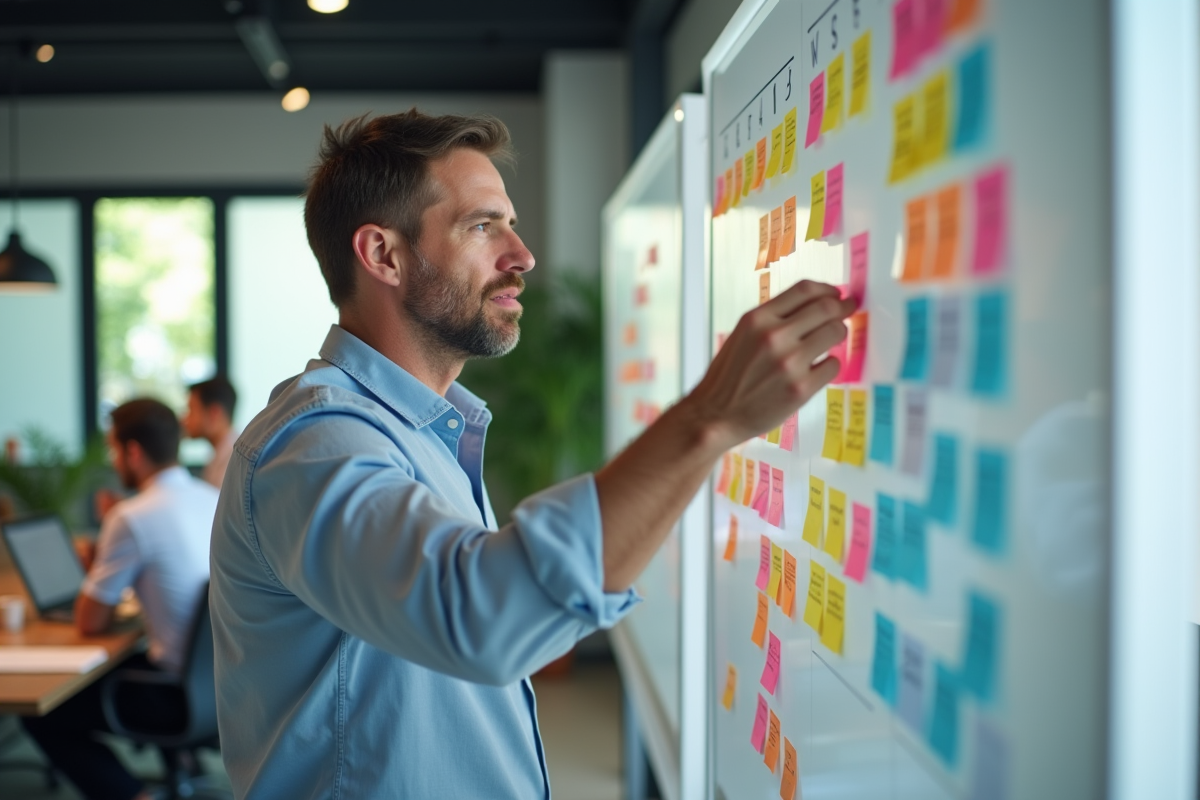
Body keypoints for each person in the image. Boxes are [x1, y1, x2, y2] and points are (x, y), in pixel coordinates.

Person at [209, 109, 855, 799]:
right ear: (383, 256)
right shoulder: (318, 444)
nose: (522, 255)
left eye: (510, 224)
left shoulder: (424, 431)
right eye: (483, 226)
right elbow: (479, 619)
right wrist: (710, 419)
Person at [24, 398, 218, 800]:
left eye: (113, 449)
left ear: (132, 451)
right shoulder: (210, 497)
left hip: (172, 695)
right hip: (220, 686)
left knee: (42, 714)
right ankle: (175, 767)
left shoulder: (132, 515)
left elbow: (89, 622)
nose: (114, 461)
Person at [181, 375, 239, 488]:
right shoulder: (221, 453)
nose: (185, 419)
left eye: (191, 409)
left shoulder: (234, 459)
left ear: (214, 413)